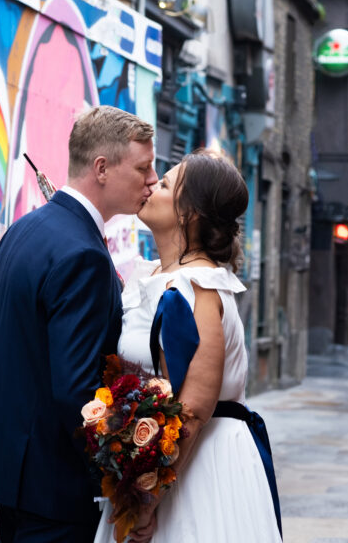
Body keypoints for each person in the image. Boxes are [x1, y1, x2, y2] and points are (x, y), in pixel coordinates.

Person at [0, 106, 158, 541]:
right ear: (102, 168)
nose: (153, 180)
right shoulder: (82, 254)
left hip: (7, 470)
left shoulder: (24, 230)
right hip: (52, 485)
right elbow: (76, 391)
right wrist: (123, 477)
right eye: (143, 167)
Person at [94, 149, 282, 542]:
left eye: (163, 184)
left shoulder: (197, 287)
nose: (151, 184)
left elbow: (194, 409)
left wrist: (147, 503)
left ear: (189, 214)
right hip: (168, 468)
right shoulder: (167, 277)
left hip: (199, 473)